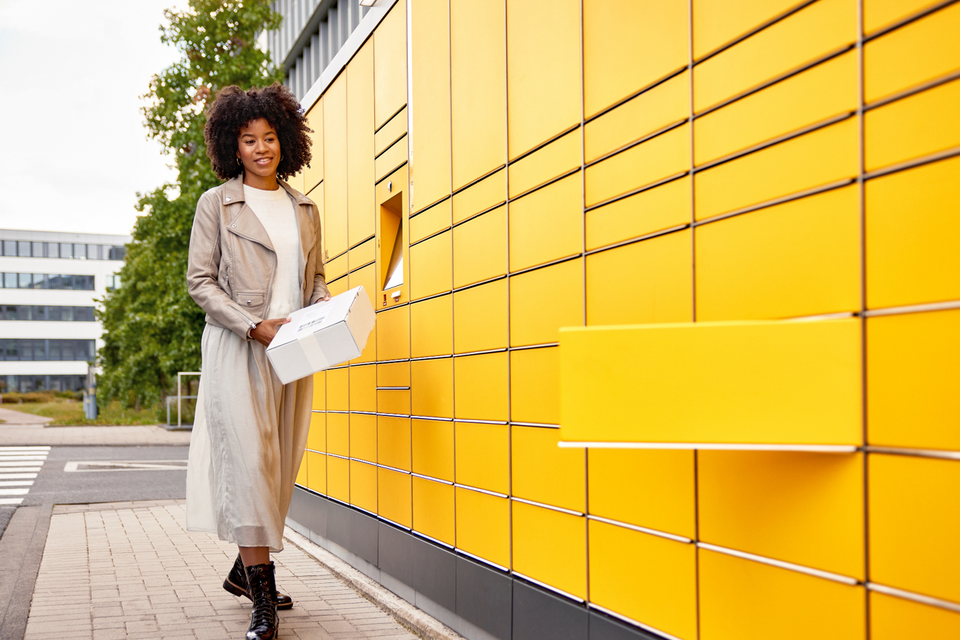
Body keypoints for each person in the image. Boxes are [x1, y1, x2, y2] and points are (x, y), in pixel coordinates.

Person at [184, 83, 329, 640]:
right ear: (233, 146)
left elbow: (314, 278)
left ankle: (245, 572)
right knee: (248, 465)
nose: (262, 148)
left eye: (270, 138)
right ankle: (262, 602)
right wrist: (253, 324)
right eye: (250, 139)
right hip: (239, 346)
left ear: (285, 142)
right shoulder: (216, 205)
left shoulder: (306, 209)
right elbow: (201, 282)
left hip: (292, 352)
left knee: (277, 466)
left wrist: (322, 312)